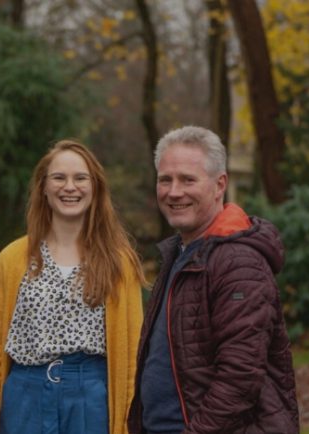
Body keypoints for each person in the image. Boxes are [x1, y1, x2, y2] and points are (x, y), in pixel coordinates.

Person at [128, 126, 299, 434]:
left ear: (220, 185)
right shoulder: (182, 252)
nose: (174, 192)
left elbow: (240, 376)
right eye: (165, 179)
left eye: (188, 180)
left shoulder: (237, 262)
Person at [0, 140, 145, 434]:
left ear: (95, 187)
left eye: (80, 178)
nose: (70, 187)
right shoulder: (12, 259)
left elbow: (132, 356)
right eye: (59, 177)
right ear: (43, 186)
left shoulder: (119, 262)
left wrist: (129, 425)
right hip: (24, 398)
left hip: (89, 400)